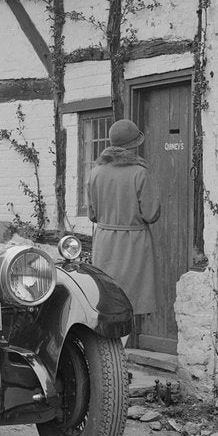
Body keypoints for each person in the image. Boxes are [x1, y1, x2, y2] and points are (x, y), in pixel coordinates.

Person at [87, 118, 160, 322]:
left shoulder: (95, 172)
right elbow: (151, 214)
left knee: (108, 296)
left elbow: (92, 215)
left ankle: (112, 347)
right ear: (133, 146)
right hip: (133, 243)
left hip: (104, 242)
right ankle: (126, 345)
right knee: (132, 299)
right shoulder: (140, 173)